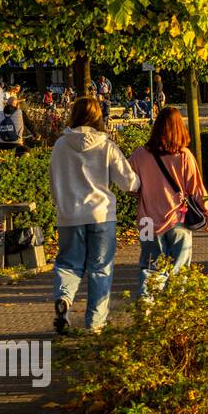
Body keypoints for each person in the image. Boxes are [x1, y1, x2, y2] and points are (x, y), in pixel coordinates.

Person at [49, 97, 139, 334]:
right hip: (101, 214)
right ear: (98, 116)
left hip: (69, 215)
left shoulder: (60, 145)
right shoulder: (106, 145)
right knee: (101, 268)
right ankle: (95, 324)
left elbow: (53, 180)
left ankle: (64, 298)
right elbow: (129, 182)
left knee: (69, 263)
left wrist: (61, 204)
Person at [129, 107, 208, 301]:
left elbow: (129, 184)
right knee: (179, 270)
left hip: (147, 222)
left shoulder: (140, 155)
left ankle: (146, 307)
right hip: (179, 220)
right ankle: (173, 311)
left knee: (149, 265)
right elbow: (198, 190)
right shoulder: (184, 156)